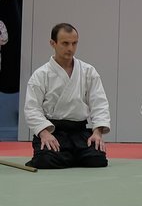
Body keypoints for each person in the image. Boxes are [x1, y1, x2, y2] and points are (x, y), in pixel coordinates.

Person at [23, 23, 110, 169]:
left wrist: (97, 132)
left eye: (74, 43)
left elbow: (99, 103)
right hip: (53, 131)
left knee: (97, 160)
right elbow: (32, 109)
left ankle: (69, 156)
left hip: (79, 131)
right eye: (65, 43)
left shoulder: (88, 71)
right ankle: (66, 155)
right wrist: (44, 133)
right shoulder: (41, 75)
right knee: (45, 161)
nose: (70, 48)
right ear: (53, 43)